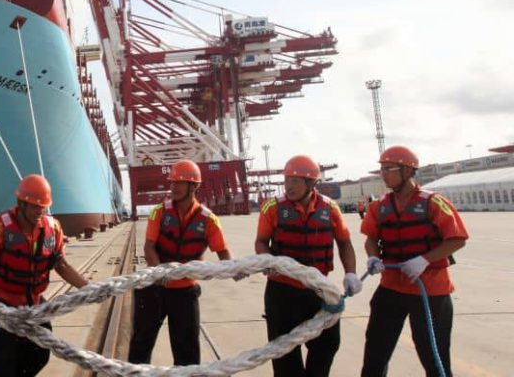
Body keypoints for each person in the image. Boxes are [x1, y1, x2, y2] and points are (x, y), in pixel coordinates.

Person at [360, 145, 469, 377]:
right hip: (391, 287)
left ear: (408, 171)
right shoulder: (379, 206)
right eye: (381, 169)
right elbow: (371, 239)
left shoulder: (433, 202)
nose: (383, 174)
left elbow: (457, 239)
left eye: (389, 169)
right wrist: (373, 257)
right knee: (374, 355)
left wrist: (423, 260)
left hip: (430, 290)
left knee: (434, 359)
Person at [0, 174, 89, 376]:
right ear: (21, 204)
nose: (40, 211)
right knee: (3, 369)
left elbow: (62, 265)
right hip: (1, 305)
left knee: (40, 356)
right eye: (35, 207)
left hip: (34, 304)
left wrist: (89, 289)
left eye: (44, 207)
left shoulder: (53, 228)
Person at [255, 155, 360, 377]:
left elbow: (344, 243)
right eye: (287, 180)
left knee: (328, 343)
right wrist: (267, 261)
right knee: (284, 356)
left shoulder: (330, 208)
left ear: (311, 183)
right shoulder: (273, 208)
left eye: (295, 181)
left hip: (317, 289)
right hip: (282, 292)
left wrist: (351, 273)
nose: (289, 186)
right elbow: (261, 241)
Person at [128, 159, 233, 366]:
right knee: (140, 345)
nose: (173, 187)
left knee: (187, 353)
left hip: (185, 293)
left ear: (193, 186)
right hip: (154, 288)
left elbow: (223, 252)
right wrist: (160, 272)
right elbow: (149, 247)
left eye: (179, 182)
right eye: (172, 182)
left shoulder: (208, 219)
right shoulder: (160, 212)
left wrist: (234, 269)